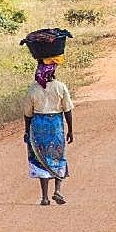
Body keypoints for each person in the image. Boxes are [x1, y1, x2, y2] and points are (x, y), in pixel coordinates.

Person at [23, 59, 74, 205]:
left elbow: (28, 114)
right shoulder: (60, 87)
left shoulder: (33, 89)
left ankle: (44, 197)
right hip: (56, 124)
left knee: (41, 158)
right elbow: (67, 110)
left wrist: (27, 131)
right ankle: (57, 190)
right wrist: (70, 130)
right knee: (58, 155)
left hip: (38, 126)